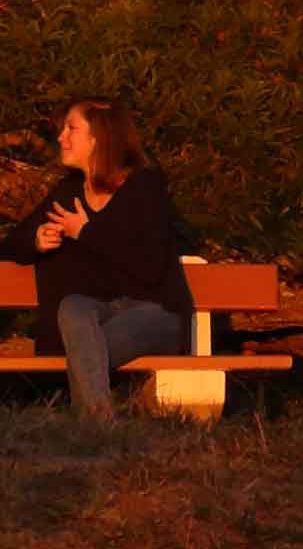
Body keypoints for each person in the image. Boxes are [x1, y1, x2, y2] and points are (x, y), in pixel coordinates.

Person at [30, 98, 190, 426]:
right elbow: (10, 245)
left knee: (83, 351)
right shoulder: (69, 192)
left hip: (158, 313)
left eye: (71, 129)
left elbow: (149, 266)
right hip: (101, 312)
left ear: (98, 139)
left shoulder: (145, 187)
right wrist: (38, 238)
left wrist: (86, 232)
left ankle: (94, 425)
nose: (61, 137)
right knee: (73, 307)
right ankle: (101, 422)